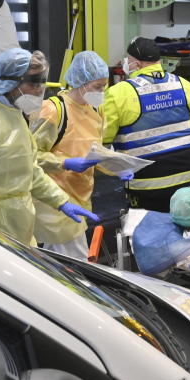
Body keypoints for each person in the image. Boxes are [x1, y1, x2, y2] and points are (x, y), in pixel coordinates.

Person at [0, 48, 99, 242]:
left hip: (18, 228)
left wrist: (60, 201)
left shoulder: (13, 112)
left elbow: (29, 170)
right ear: (9, 82)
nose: (40, 90)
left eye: (42, 83)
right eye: (33, 83)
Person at [32, 51, 127, 259]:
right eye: (97, 87)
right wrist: (65, 163)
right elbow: (30, 156)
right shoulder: (54, 110)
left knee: (54, 261)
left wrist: (117, 167)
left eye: (104, 86)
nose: (102, 91)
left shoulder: (96, 110)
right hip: (55, 198)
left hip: (81, 195)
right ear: (80, 82)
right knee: (76, 264)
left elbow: (95, 151)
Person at [101, 37, 190, 212]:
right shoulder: (185, 85)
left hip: (147, 184)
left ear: (136, 63)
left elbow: (103, 138)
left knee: (149, 232)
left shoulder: (117, 93)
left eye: (127, 60)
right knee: (189, 228)